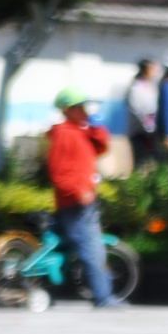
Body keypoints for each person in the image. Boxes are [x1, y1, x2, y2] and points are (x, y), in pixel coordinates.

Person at [47, 87, 118, 307]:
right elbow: (58, 171)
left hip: (83, 199)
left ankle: (102, 294)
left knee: (87, 246)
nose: (85, 111)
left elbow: (101, 147)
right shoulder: (64, 134)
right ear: (69, 110)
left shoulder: (80, 132)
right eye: (81, 107)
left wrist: (96, 127)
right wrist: (77, 192)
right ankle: (103, 297)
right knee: (92, 248)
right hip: (76, 202)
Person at [125, 57, 161, 169]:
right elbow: (137, 109)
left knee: (154, 160)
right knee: (141, 161)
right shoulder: (136, 86)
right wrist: (148, 125)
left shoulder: (152, 85)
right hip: (140, 131)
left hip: (152, 130)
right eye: (153, 68)